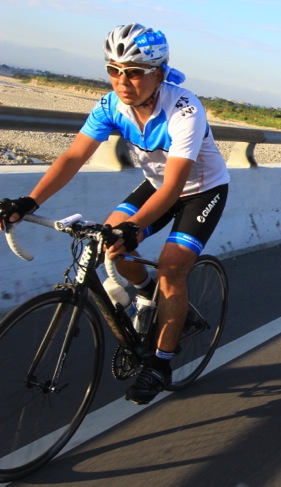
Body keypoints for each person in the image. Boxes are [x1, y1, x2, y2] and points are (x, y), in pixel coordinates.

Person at [0, 23, 230, 405]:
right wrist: (29, 202)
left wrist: (134, 228)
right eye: (114, 69)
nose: (123, 81)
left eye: (135, 72)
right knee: (110, 243)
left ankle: (160, 362)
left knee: (173, 267)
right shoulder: (110, 106)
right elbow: (74, 157)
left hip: (200, 191)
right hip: (157, 185)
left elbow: (175, 187)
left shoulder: (184, 108)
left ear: (158, 73)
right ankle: (148, 294)